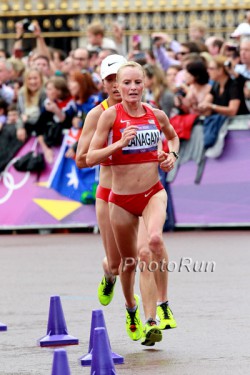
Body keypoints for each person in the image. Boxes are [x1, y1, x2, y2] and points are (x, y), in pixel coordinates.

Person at [77, 55, 173, 346]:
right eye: (111, 81)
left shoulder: (148, 111)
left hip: (144, 190)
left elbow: (167, 136)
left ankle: (151, 315)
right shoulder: (99, 114)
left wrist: (166, 153)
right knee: (118, 264)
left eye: (132, 81)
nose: (119, 87)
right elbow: (82, 159)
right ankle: (108, 274)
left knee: (147, 249)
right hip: (110, 194)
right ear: (108, 83)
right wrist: (116, 146)